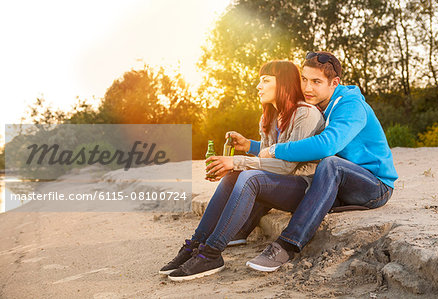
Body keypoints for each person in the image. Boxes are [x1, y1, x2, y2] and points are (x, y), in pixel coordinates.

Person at [159, 60, 325, 281]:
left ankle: (211, 253)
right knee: (234, 175)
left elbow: (286, 166)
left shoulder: (306, 114)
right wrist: (234, 163)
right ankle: (196, 244)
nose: (258, 86)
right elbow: (267, 156)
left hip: (306, 187)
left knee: (245, 175)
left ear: (283, 84)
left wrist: (236, 161)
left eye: (265, 80)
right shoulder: (269, 117)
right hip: (279, 186)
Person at [237, 51, 398, 271]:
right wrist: (252, 146)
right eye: (304, 79)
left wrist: (275, 150)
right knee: (275, 176)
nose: (307, 88)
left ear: (335, 83)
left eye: (316, 82)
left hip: (374, 186)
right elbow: (300, 145)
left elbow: (326, 145)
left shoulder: (351, 105)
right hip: (336, 184)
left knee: (330, 163)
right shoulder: (318, 105)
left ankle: (287, 245)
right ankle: (237, 231)